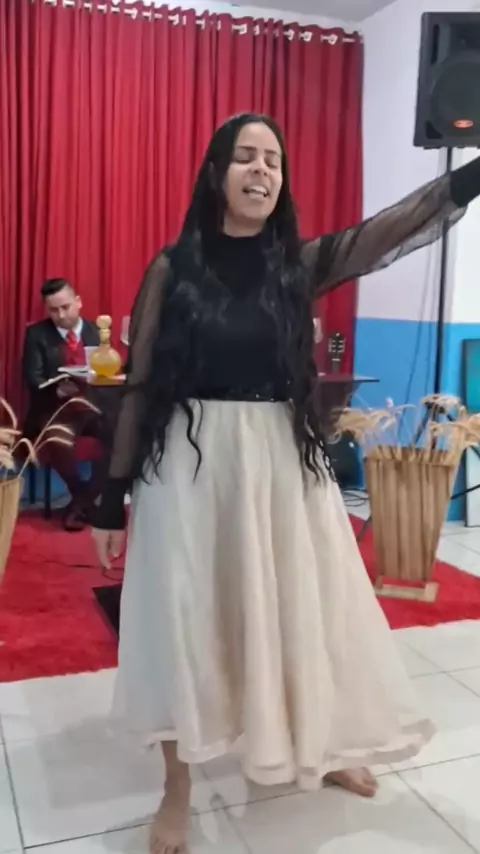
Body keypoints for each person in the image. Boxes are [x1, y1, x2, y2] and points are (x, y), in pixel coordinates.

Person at [91, 113, 480, 854]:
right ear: (216, 174)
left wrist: (470, 177)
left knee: (307, 610)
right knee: (183, 623)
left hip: (279, 462)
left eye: (272, 160)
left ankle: (323, 746)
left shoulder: (296, 264)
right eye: (245, 157)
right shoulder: (173, 268)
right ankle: (177, 786)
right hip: (189, 468)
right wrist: (111, 502)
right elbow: (138, 386)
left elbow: (387, 232)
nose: (261, 170)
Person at [23, 278, 103, 531]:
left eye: (65, 307)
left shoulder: (97, 331)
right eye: (54, 310)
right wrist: (57, 389)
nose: (61, 315)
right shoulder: (37, 334)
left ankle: (82, 502)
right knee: (57, 440)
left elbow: (107, 371)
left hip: (91, 407)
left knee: (124, 435)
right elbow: (32, 377)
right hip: (55, 410)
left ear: (78, 302)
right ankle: (84, 500)